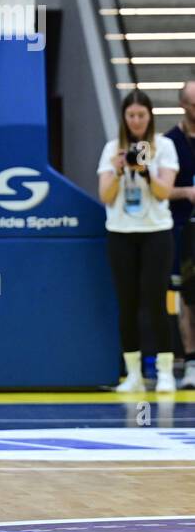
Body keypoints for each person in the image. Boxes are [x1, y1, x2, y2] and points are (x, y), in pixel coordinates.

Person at [98, 91, 180, 394]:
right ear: (124, 118)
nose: (135, 121)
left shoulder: (165, 146)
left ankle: (165, 371)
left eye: (141, 116)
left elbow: (164, 193)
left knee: (156, 301)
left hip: (156, 231)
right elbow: (104, 196)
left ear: (150, 116)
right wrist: (119, 169)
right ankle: (132, 374)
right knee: (127, 303)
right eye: (130, 116)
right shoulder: (112, 148)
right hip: (121, 232)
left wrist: (145, 171)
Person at [165, 80, 195, 389]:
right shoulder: (169, 142)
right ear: (184, 106)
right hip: (184, 228)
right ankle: (190, 361)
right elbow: (160, 189)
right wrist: (187, 192)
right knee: (188, 297)